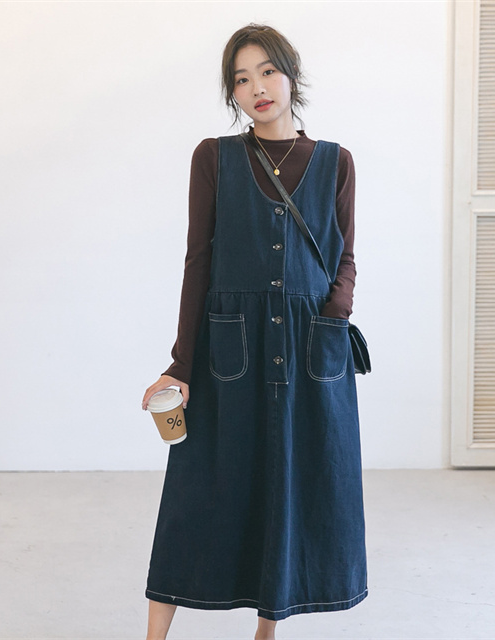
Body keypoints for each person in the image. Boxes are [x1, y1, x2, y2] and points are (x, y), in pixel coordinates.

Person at [141, 23, 368, 640]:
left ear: (291, 75)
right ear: (232, 93)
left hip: (309, 347)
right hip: (229, 349)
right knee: (198, 489)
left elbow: (345, 257)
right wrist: (181, 364)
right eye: (241, 79)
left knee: (290, 486)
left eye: (267, 71)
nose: (257, 88)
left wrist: (334, 317)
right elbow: (199, 261)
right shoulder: (213, 158)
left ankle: (268, 632)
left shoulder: (336, 161)